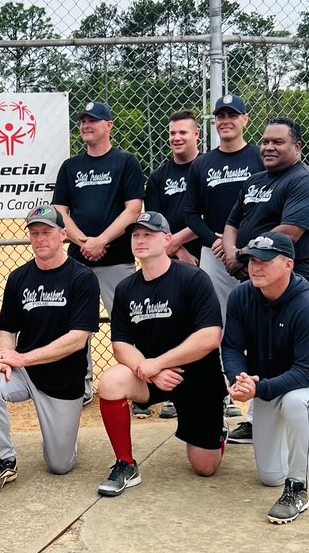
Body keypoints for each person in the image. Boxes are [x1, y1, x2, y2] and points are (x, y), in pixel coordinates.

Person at [222, 232, 309, 525]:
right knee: (270, 476)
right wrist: (240, 378)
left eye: (265, 260)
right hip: (266, 385)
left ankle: (297, 489)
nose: (255, 267)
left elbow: (305, 372)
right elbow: (232, 346)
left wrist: (259, 388)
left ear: (288, 265)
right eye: (251, 260)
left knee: (294, 403)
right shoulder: (241, 296)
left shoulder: (306, 306)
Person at [94, 212, 226, 497]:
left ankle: (217, 429)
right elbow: (121, 345)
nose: (140, 240)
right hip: (151, 375)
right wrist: (148, 368)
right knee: (111, 382)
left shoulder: (193, 278)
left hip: (198, 378)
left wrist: (160, 363)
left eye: (149, 234)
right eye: (136, 235)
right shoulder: (126, 287)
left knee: (205, 467)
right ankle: (125, 464)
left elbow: (210, 337)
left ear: (167, 240)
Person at [0, 205, 99, 497]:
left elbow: (78, 339)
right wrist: (4, 359)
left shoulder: (81, 278)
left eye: (47, 232)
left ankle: (64, 437)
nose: (40, 238)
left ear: (63, 235)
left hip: (63, 380)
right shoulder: (19, 277)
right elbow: (6, 328)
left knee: (59, 465)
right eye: (34, 233)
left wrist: (23, 357)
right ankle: (4, 459)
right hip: (25, 372)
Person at [221, 118, 309, 444]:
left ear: (297, 147)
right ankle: (260, 417)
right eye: (265, 141)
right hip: (249, 274)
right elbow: (231, 223)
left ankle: (283, 413)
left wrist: (241, 254)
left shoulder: (305, 182)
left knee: (282, 352)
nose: (268, 147)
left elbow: (291, 231)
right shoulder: (255, 180)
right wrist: (232, 255)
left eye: (278, 142)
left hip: (290, 276)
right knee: (254, 345)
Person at [51, 102, 144, 401]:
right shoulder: (71, 166)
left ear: (109, 126)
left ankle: (139, 382)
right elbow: (60, 211)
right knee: (76, 325)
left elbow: (133, 209)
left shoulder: (125, 162)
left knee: (130, 322)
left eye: (94, 121)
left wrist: (101, 240)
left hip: (117, 258)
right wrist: (84, 243)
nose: (87, 125)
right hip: (79, 261)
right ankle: (83, 384)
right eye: (83, 121)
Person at [141, 109, 204, 420]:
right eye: (173, 133)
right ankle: (174, 392)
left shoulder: (207, 168)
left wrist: (180, 244)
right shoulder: (159, 176)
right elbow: (155, 224)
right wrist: (177, 251)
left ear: (197, 135)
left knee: (207, 324)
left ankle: (214, 390)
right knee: (175, 324)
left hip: (210, 253)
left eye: (183, 132)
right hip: (171, 260)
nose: (177, 138)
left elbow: (210, 212)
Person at [182, 94, 263, 317]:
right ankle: (221, 354)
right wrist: (216, 241)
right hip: (214, 252)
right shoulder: (202, 163)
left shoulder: (260, 158)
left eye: (232, 115)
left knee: (257, 312)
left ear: (245, 120)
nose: (226, 120)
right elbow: (190, 214)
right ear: (215, 122)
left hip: (254, 248)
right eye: (220, 116)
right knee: (215, 315)